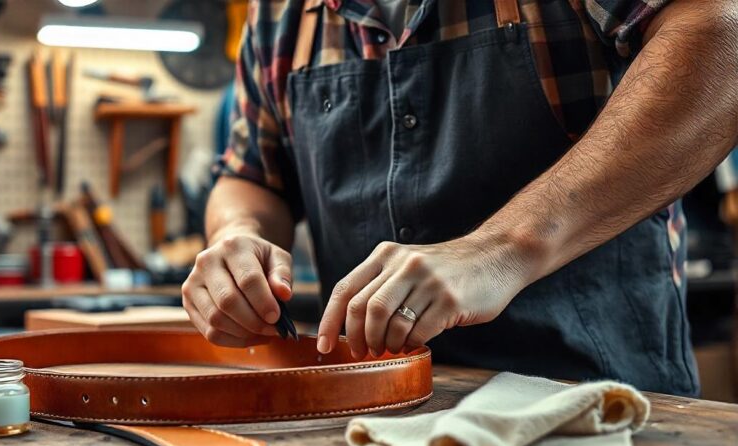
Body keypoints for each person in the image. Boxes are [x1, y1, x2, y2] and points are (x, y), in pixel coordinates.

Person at [182, 0, 738, 396]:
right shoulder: (277, 15)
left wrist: (499, 251)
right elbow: (252, 174)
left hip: (593, 404)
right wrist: (237, 236)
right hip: (371, 413)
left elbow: (724, 36)